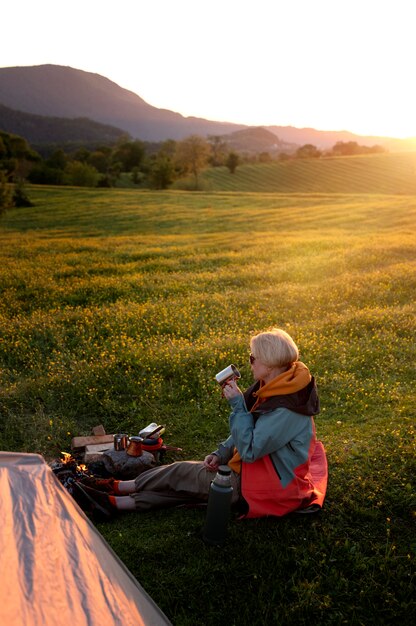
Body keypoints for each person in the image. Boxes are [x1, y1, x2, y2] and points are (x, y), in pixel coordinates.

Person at [73, 328, 327, 520]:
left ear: (270, 365)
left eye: (253, 358)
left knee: (182, 472)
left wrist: (237, 405)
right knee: (183, 489)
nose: (250, 362)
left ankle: (113, 486)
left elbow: (249, 449)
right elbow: (253, 428)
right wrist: (221, 453)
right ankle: (113, 503)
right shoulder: (277, 386)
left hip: (267, 485)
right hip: (259, 473)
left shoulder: (287, 409)